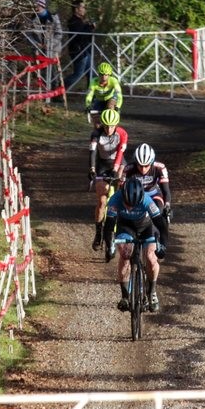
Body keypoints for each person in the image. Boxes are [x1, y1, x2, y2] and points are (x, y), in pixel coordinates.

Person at [102, 177, 170, 313]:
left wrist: (163, 245)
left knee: (151, 257)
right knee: (125, 254)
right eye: (127, 204)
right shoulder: (115, 200)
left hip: (146, 227)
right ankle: (125, 296)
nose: (130, 207)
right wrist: (110, 245)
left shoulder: (147, 200)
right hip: (126, 227)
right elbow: (109, 227)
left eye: (134, 204)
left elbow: (161, 226)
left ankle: (152, 292)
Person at [89, 108, 128, 251]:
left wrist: (116, 169)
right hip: (103, 166)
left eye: (112, 126)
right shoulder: (96, 134)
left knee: (123, 193)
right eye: (106, 126)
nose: (109, 129)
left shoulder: (122, 133)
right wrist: (92, 169)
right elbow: (92, 153)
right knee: (102, 201)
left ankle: (123, 223)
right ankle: (98, 233)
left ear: (116, 124)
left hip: (119, 163)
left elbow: (120, 153)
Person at [121, 143, 172, 244]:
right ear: (136, 162)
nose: (143, 169)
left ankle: (161, 239)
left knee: (160, 210)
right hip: (135, 196)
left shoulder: (160, 168)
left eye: (146, 166)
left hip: (153, 194)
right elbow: (122, 191)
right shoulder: (128, 169)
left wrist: (167, 205)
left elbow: (166, 191)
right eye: (140, 165)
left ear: (152, 162)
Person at [65, 0, 97, 90]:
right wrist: (90, 27)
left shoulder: (80, 21)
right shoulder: (73, 21)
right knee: (78, 74)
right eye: (83, 7)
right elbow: (80, 35)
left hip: (85, 50)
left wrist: (89, 26)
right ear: (76, 9)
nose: (84, 10)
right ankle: (59, 88)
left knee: (92, 73)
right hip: (78, 51)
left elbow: (85, 34)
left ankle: (92, 95)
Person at [83, 62, 123, 128]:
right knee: (96, 121)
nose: (103, 77)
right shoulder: (94, 82)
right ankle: (98, 132)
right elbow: (89, 96)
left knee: (111, 109)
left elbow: (119, 95)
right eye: (101, 75)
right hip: (99, 100)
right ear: (98, 74)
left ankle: (113, 128)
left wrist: (118, 106)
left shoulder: (113, 81)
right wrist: (88, 106)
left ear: (109, 75)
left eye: (106, 75)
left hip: (111, 98)